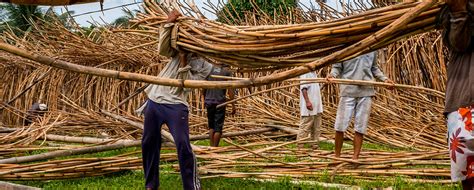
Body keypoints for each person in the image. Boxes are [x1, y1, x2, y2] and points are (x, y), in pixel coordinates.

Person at [140, 10, 212, 190]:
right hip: (155, 99)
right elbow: (162, 49)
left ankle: (192, 186)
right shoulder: (179, 44)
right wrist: (168, 24)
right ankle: (151, 185)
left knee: (182, 144)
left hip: (176, 105)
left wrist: (183, 61)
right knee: (149, 142)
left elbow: (187, 86)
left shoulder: (205, 64)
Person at [327, 51, 394, 160]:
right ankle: (337, 157)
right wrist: (332, 75)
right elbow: (337, 67)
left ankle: (355, 158)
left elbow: (374, 68)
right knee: (340, 125)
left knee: (360, 127)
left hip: (366, 91)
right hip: (348, 90)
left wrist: (384, 79)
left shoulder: (372, 49)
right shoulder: (347, 48)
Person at [441, 0, 474, 188]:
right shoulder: (453, 16)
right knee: (468, 173)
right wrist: (460, 11)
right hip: (464, 102)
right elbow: (459, 43)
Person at [204, 65, 236, 147]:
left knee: (211, 126)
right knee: (218, 127)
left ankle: (211, 147)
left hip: (209, 101)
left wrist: (205, 98)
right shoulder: (227, 71)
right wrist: (233, 104)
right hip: (220, 102)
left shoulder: (209, 69)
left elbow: (203, 87)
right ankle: (215, 149)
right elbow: (230, 89)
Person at [298, 71, 323, 149]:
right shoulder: (305, 72)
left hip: (317, 105)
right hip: (310, 105)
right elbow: (303, 88)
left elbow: (315, 88)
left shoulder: (314, 73)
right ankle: (300, 146)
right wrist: (307, 101)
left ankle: (314, 145)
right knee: (305, 126)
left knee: (316, 127)